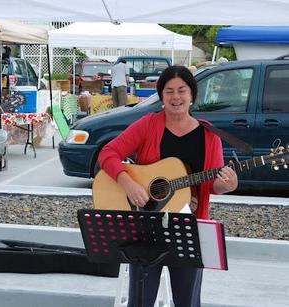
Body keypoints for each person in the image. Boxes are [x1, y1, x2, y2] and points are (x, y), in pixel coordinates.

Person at [98, 65, 238, 307]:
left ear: (192, 95)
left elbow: (212, 184)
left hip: (188, 227)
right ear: (161, 96)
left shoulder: (209, 135)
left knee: (188, 301)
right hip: (145, 224)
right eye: (169, 91)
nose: (176, 97)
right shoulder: (148, 124)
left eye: (182, 90)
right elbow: (108, 153)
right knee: (140, 300)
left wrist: (226, 186)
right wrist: (128, 183)